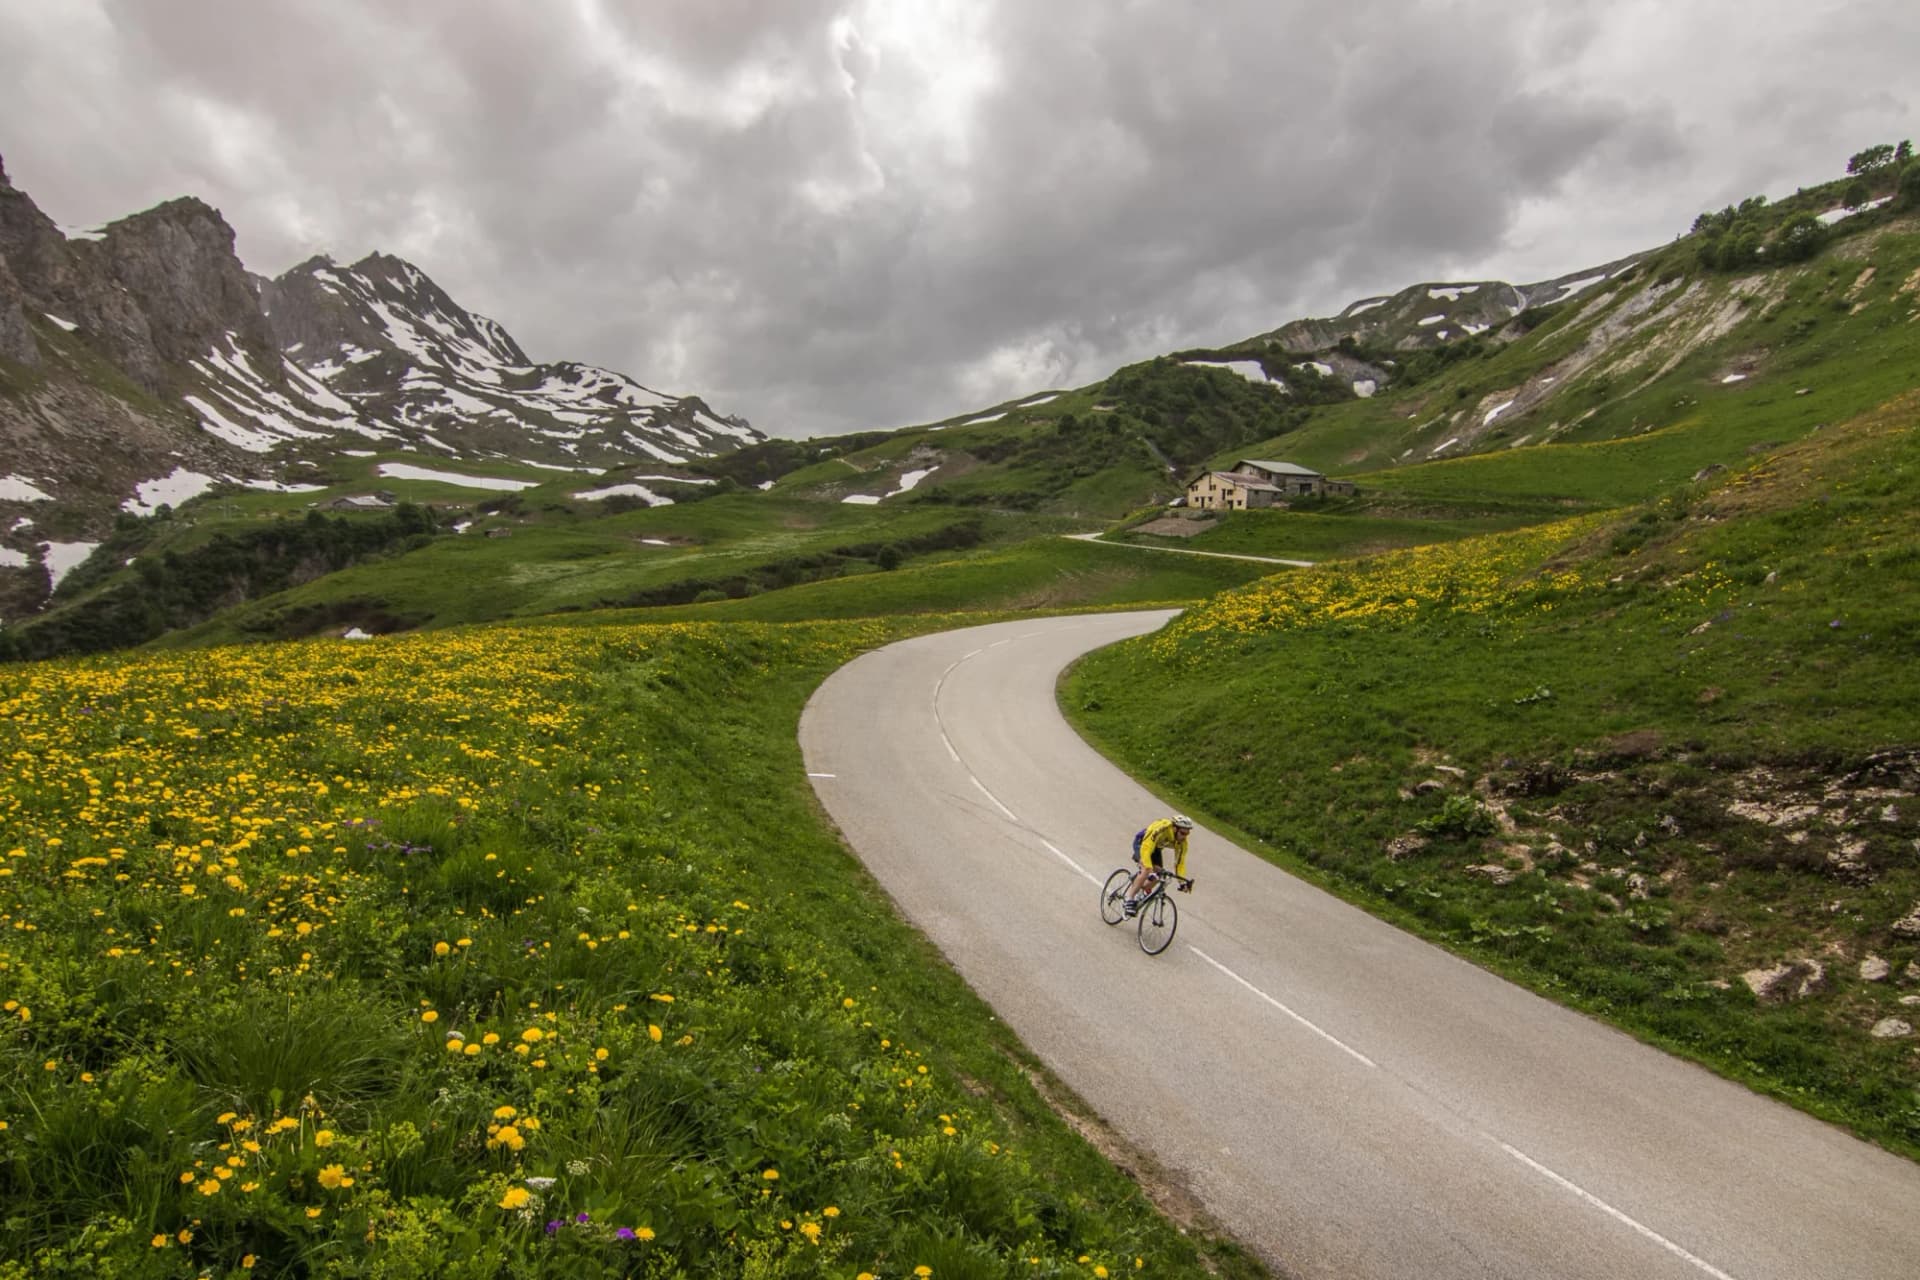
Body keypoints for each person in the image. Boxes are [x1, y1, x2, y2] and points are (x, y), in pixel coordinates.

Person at [1124, 814, 1195, 915]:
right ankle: (1129, 898)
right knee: (1147, 870)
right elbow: (1147, 847)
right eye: (1183, 833)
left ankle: (1142, 891)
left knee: (1160, 875)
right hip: (1143, 843)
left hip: (1155, 848)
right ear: (1175, 828)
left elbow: (1180, 863)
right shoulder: (1161, 829)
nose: (1185, 837)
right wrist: (1148, 867)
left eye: (1187, 834)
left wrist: (1182, 882)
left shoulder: (1182, 843)